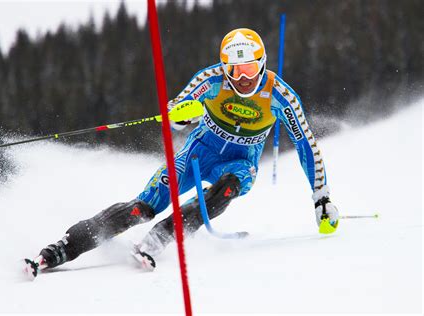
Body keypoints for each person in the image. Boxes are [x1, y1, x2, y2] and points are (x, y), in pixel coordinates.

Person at [25, 28, 339, 275]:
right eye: (235, 70)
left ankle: (161, 237)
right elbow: (178, 108)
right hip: (199, 153)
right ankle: (66, 245)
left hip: (242, 161)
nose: (243, 79)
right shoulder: (212, 79)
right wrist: (180, 116)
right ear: (224, 67)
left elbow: (306, 145)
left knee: (226, 188)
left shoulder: (281, 96)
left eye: (250, 69)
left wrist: (321, 197)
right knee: (143, 207)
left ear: (262, 64)